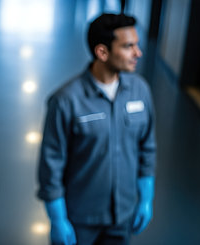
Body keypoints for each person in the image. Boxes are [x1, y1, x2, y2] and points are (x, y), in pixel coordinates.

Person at [37, 13, 156, 245]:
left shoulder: (140, 91)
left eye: (137, 45)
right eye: (128, 46)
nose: (138, 53)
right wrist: (57, 218)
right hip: (79, 219)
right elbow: (51, 163)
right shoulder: (66, 101)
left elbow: (147, 147)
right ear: (102, 52)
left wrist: (146, 199)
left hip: (122, 215)